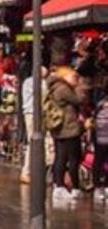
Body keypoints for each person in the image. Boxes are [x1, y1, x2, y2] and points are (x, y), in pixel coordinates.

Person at [49, 66, 86, 203]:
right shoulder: (63, 89)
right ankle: (69, 186)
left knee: (61, 157)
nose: (75, 79)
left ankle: (59, 185)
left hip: (60, 128)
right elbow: (79, 99)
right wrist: (78, 87)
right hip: (68, 128)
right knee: (71, 158)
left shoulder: (55, 87)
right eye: (73, 77)